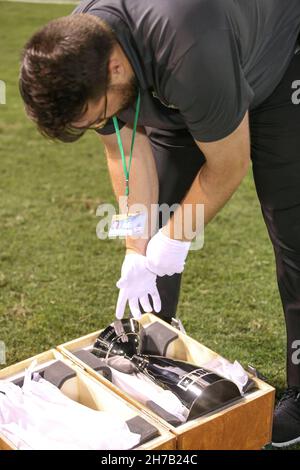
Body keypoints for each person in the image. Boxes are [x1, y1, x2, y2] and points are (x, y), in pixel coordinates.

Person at [19, 0, 300, 447]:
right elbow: (123, 153)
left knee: (293, 232)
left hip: (278, 61)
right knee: (156, 223)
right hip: (177, 76)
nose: (99, 125)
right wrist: (137, 246)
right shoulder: (80, 49)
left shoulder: (187, 48)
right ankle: (155, 364)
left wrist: (175, 236)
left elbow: (227, 164)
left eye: (94, 116)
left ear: (114, 67)